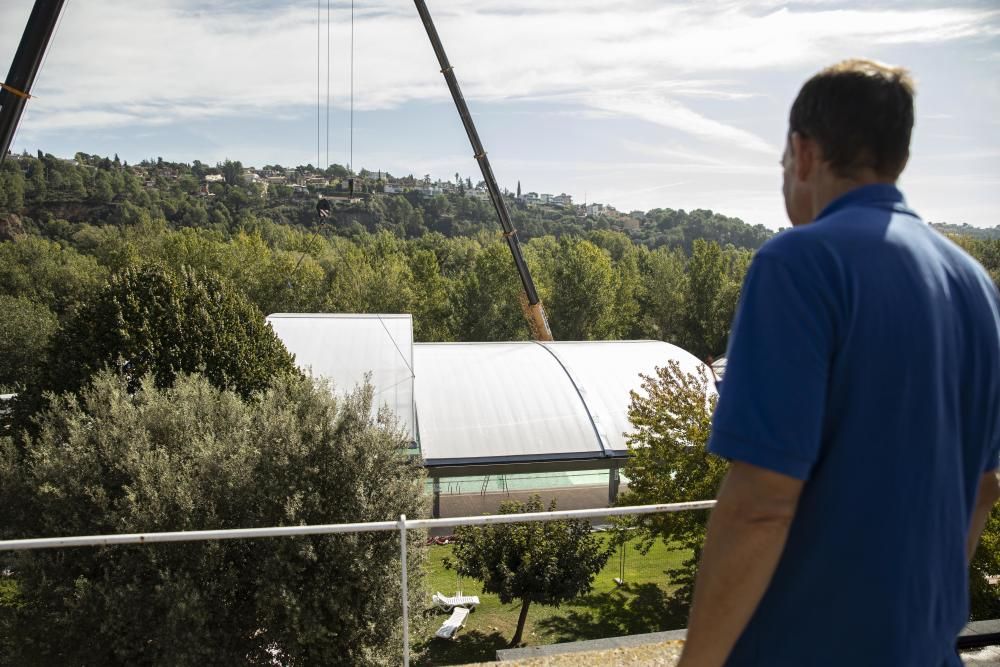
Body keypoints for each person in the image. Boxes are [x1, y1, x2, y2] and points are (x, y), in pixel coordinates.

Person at [677, 59, 1000, 667]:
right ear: (897, 158)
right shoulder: (977, 286)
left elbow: (762, 501)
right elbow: (985, 486)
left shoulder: (798, 263)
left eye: (781, 164)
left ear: (802, 153)